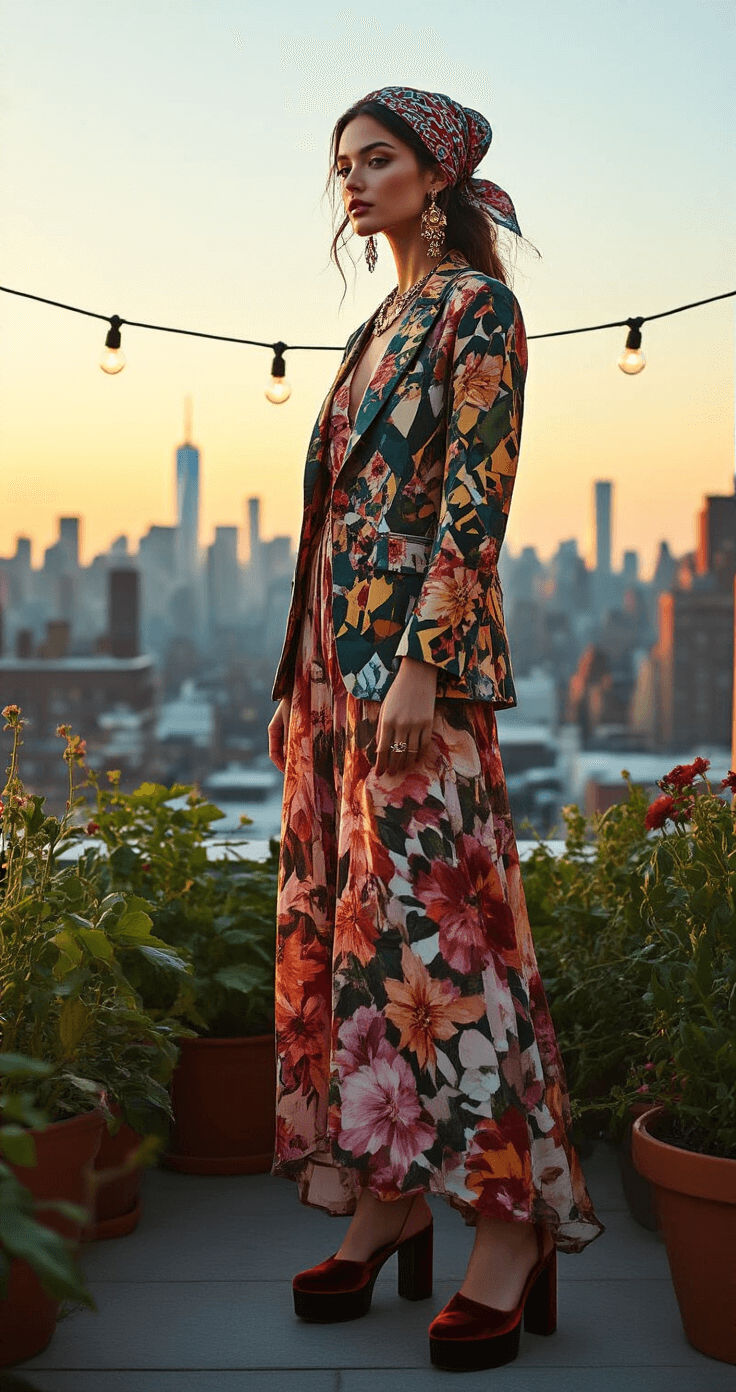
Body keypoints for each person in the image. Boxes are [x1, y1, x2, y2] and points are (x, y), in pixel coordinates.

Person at [267, 85, 603, 1373]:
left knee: (449, 942)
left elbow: (476, 501)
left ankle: (508, 1224)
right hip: (337, 674)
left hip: (417, 671)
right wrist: (316, 681)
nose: (354, 180)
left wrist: (424, 664)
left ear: (437, 172)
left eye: (378, 158)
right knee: (367, 938)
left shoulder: (478, 311)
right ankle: (391, 1192)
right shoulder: (378, 324)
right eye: (344, 163)